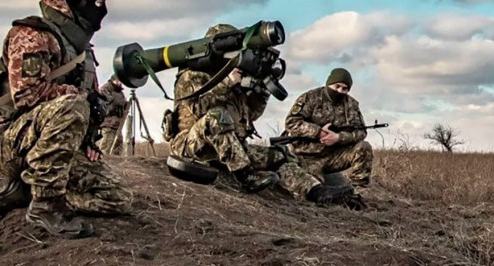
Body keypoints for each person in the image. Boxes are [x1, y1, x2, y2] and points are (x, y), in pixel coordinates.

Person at [0, 0, 132, 239]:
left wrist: (87, 140)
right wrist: (82, 99)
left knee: (118, 198)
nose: (102, 10)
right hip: (9, 145)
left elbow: (83, 104)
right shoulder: (31, 36)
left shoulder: (83, 52)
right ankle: (45, 205)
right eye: (95, 2)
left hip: (49, 144)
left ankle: (25, 190)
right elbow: (27, 94)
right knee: (73, 105)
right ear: (69, 0)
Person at [167, 24, 352, 204]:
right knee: (217, 115)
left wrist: (261, 93)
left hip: (230, 149)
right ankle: (245, 176)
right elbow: (197, 109)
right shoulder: (192, 75)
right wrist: (227, 84)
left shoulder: (234, 76)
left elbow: (250, 116)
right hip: (191, 146)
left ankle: (316, 192)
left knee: (281, 155)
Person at [283, 68, 374, 195]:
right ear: (329, 84)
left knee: (364, 147)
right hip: (308, 157)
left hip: (334, 156)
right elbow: (291, 122)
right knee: (313, 191)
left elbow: (361, 132)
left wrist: (338, 137)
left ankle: (358, 191)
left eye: (345, 88)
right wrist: (318, 132)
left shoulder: (351, 104)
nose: (340, 91)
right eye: (337, 86)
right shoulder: (310, 97)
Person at [97, 75, 128, 155]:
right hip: (108, 124)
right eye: (118, 81)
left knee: (117, 149)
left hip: (118, 125)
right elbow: (106, 103)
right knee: (106, 148)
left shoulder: (120, 92)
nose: (120, 83)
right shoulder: (105, 89)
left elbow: (123, 105)